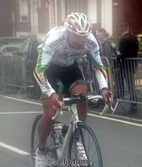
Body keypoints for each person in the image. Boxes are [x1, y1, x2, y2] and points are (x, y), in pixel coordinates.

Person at [33, 12, 113, 167]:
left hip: (70, 68)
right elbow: (39, 70)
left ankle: (77, 140)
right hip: (48, 70)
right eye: (77, 36)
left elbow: (99, 66)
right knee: (50, 113)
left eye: (84, 36)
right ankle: (41, 150)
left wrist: (104, 88)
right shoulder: (55, 39)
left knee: (83, 99)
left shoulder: (90, 41)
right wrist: (52, 93)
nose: (82, 41)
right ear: (67, 32)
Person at [117, 23, 139, 114]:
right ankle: (134, 105)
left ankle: (133, 106)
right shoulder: (134, 38)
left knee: (130, 86)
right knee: (131, 86)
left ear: (122, 30)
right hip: (132, 64)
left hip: (126, 65)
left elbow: (123, 54)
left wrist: (118, 57)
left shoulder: (124, 40)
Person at [26, 32, 41, 99]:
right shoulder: (30, 44)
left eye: (32, 36)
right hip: (31, 64)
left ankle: (38, 94)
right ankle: (36, 93)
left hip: (36, 64)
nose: (31, 38)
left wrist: (36, 63)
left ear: (35, 37)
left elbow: (37, 55)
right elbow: (29, 54)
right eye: (30, 36)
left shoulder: (37, 44)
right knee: (33, 80)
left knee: (37, 80)